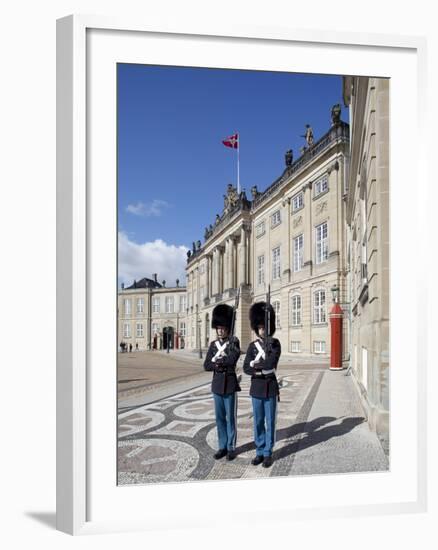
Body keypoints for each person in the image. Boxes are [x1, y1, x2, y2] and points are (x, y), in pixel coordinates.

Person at [243, 302, 281, 468]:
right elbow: (245, 368)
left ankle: (268, 452)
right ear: (256, 329)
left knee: (270, 421)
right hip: (257, 388)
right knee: (258, 422)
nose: (262, 330)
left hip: (270, 388)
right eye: (259, 328)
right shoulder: (252, 347)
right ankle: (259, 450)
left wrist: (255, 365)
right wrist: (258, 367)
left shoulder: (275, 344)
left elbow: (271, 364)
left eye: (265, 327)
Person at [203, 304, 241, 461]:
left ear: (227, 328)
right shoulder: (213, 345)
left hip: (230, 384)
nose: (220, 330)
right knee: (219, 418)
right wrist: (218, 363)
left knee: (230, 418)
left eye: (223, 327)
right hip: (217, 384)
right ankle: (222, 446)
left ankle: (231, 446)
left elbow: (233, 360)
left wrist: (219, 361)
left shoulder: (234, 342)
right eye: (218, 327)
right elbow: (206, 365)